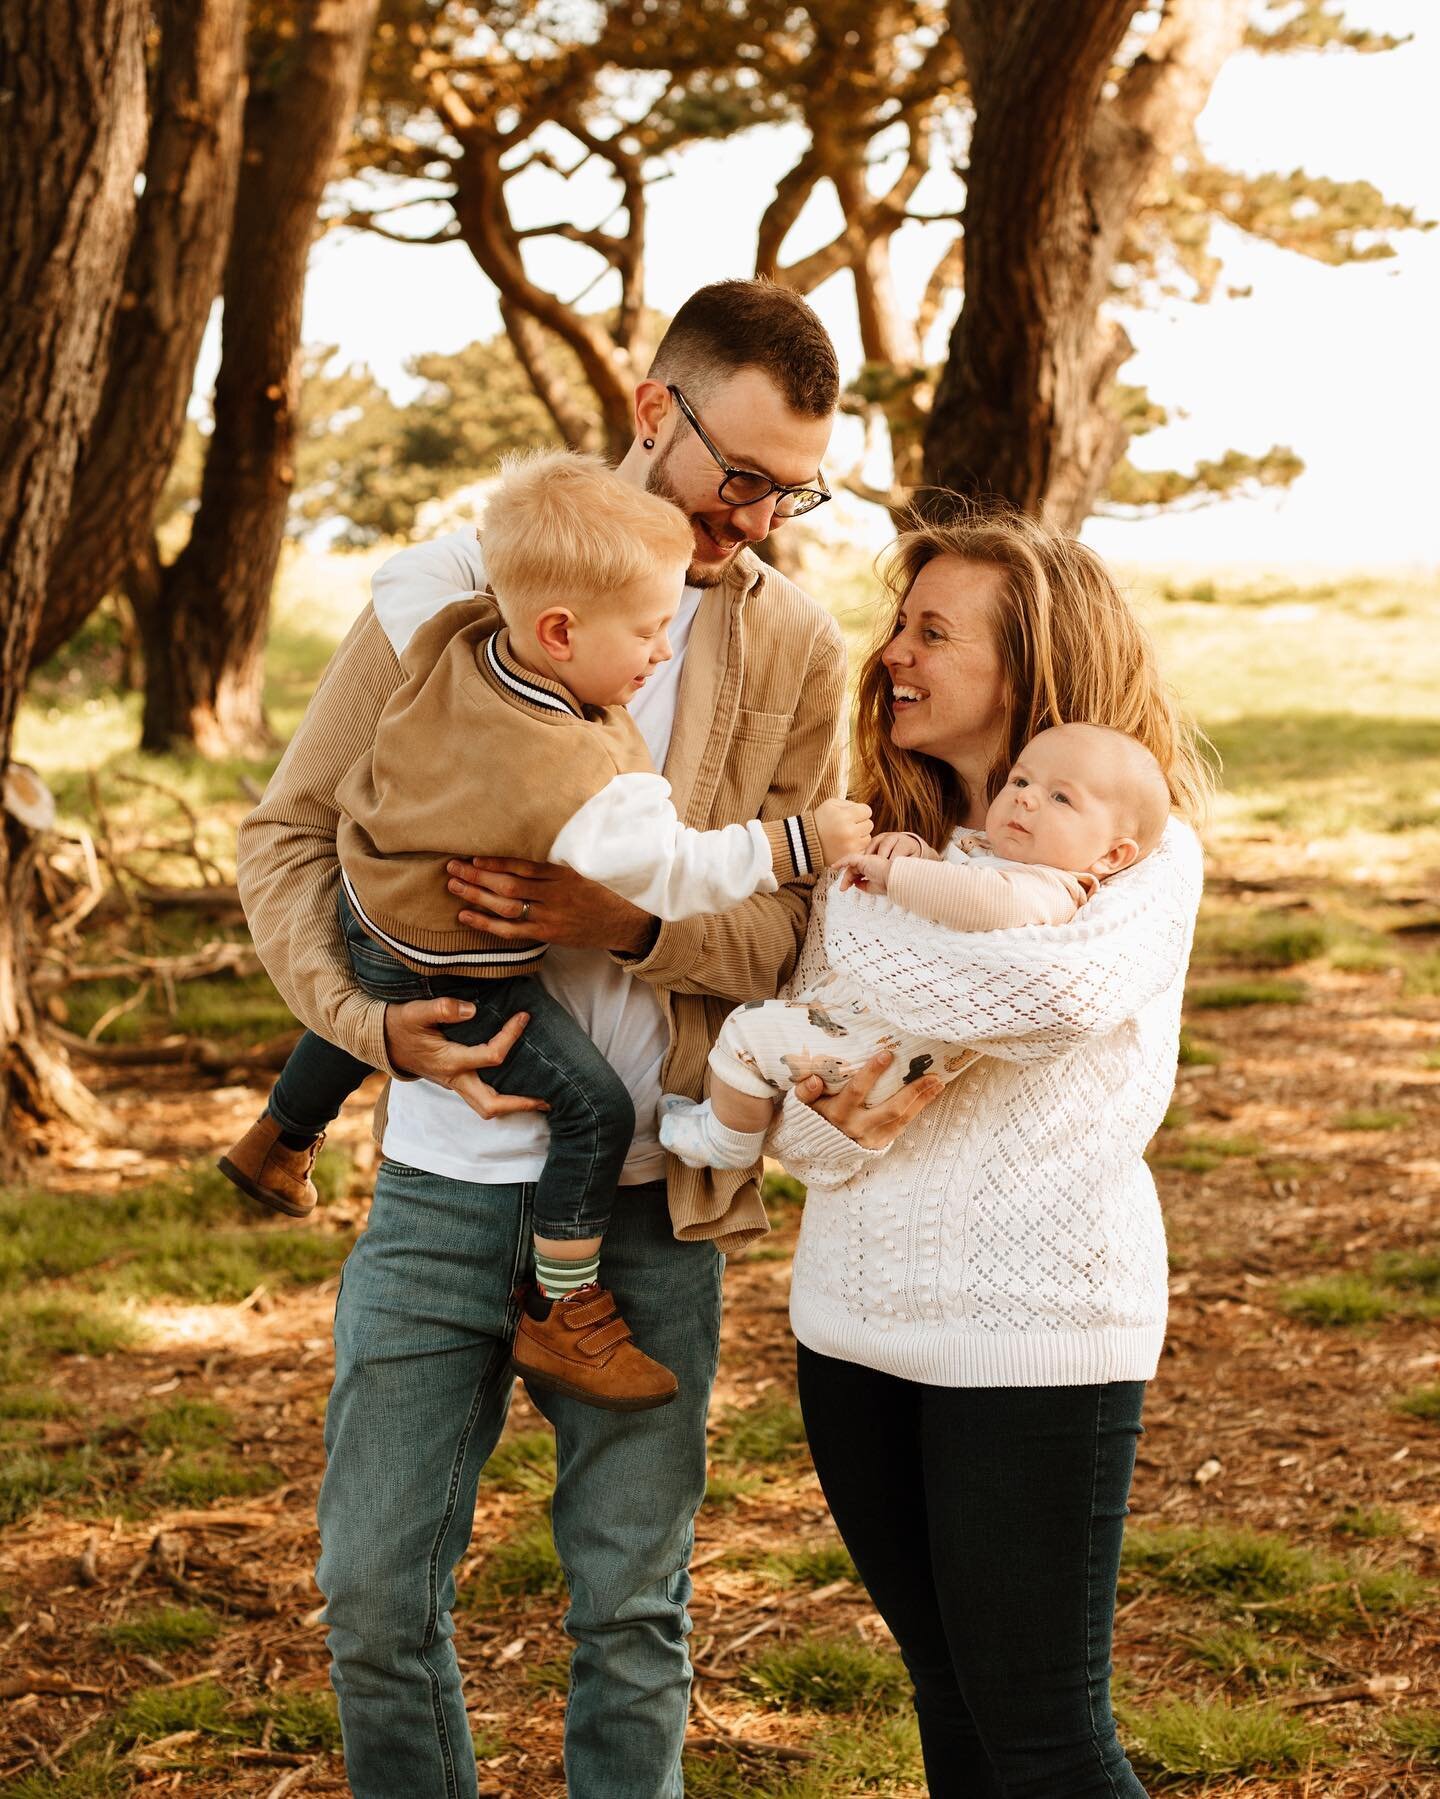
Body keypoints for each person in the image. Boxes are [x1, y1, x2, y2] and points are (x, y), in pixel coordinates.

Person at [235, 279, 939, 1799]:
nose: (755, 514)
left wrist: (614, 917)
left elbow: (790, 938)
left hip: (648, 1202)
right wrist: (366, 1021)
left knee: (631, 1609)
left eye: (790, 488)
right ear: (651, 410)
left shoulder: (800, 643)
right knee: (369, 1598)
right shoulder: (446, 586)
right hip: (434, 1187)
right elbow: (288, 837)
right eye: (737, 474)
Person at [221, 452, 868, 1412]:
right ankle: (563, 1307)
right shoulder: (577, 769)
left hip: (380, 916)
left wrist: (517, 559)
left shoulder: (454, 634)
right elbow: (686, 869)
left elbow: (403, 575)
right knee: (592, 1108)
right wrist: (801, 840)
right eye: (650, 633)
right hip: (468, 986)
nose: (659, 650)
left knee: (389, 972)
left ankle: (281, 1132)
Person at [761, 505, 1213, 1798]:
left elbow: (1053, 997)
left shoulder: (1144, 851)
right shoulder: (881, 844)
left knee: (1046, 1738)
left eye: (934, 631)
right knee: (949, 1703)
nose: (893, 651)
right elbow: (808, 1125)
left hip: (1036, 1327)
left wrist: (874, 943)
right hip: (850, 1319)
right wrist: (920, 951)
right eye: (900, 623)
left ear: (1030, 665)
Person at [658, 721, 1171, 1170]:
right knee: (755, 1039)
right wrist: (916, 852)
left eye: (1062, 798)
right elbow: (952, 883)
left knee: (747, 1033)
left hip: (873, 1053)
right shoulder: (992, 855)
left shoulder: (1051, 889)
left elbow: (976, 901)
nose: (1026, 797)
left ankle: (725, 1141)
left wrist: (899, 875)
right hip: (864, 1032)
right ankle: (722, 1121)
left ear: (1111, 856)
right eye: (1020, 780)